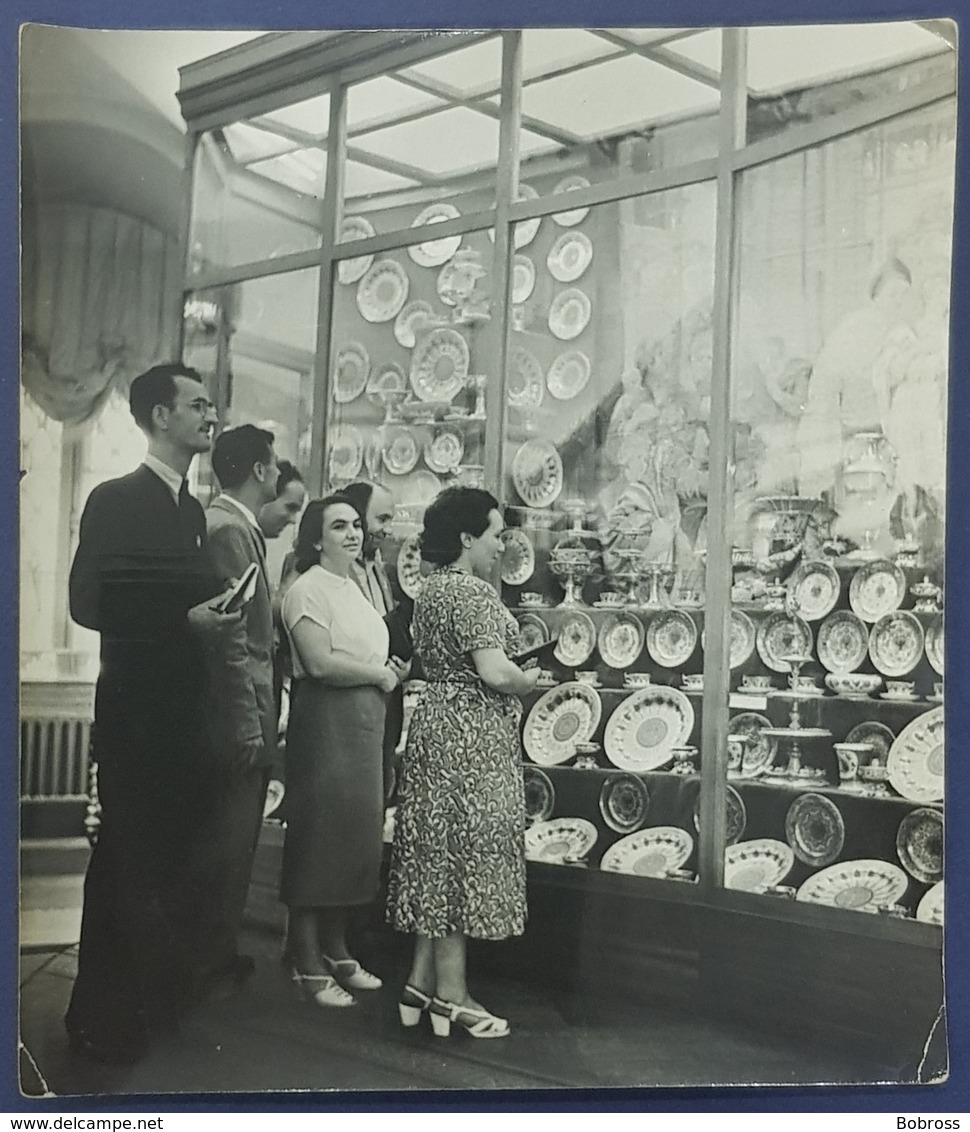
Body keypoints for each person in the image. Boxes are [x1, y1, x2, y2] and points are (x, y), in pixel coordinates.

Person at [65, 363, 240, 1065]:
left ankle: (145, 1006)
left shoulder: (195, 512)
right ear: (159, 417)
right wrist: (184, 621)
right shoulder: (114, 499)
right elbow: (86, 605)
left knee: (169, 865)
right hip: (135, 717)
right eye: (198, 404)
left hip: (185, 717)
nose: (212, 414)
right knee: (124, 863)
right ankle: (96, 1015)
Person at [386, 486, 539, 1039]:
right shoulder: (472, 595)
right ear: (468, 538)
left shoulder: (430, 590)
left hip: (436, 728)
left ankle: (419, 985)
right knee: (463, 861)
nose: (502, 545)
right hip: (471, 737)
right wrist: (528, 679)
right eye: (496, 535)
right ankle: (455, 999)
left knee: (438, 858)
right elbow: (497, 673)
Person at [280, 496, 407, 1007]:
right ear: (316, 539)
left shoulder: (354, 586)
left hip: (364, 723)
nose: (353, 534)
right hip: (327, 723)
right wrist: (379, 675)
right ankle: (305, 959)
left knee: (355, 837)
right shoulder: (305, 589)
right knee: (320, 836)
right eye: (339, 527)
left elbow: (363, 652)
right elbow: (319, 662)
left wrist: (389, 671)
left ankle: (336, 947)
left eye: (356, 525)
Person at [191, 424, 282, 988]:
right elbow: (233, 638)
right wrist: (249, 723)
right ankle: (210, 955)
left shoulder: (234, 526)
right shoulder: (227, 529)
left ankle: (213, 950)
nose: (276, 472)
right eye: (272, 464)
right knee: (227, 836)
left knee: (231, 835)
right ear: (257, 470)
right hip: (237, 714)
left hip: (246, 708)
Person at [341, 480, 412, 800]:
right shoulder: (333, 570)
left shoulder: (379, 567)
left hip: (386, 708)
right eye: (381, 519)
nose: (388, 530)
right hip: (352, 711)